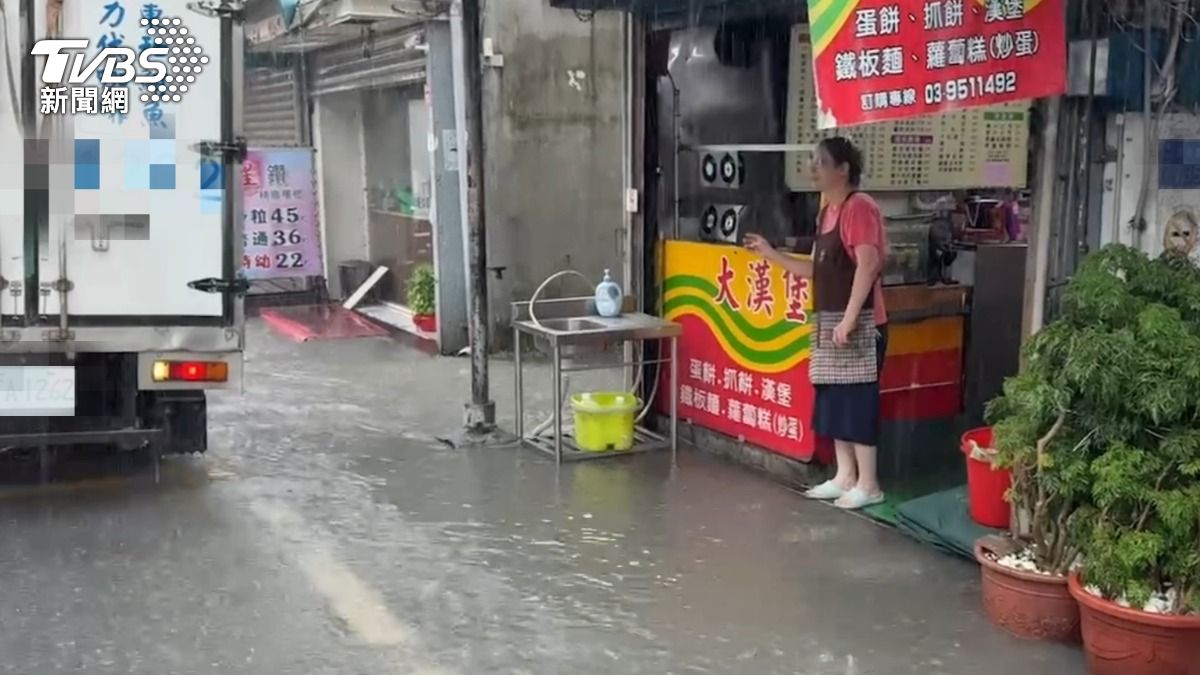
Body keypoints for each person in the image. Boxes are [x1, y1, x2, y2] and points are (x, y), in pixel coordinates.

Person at [744, 137, 889, 510]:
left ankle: (869, 484)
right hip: (828, 321)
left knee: (857, 403)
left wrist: (852, 318)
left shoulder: (860, 208)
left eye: (821, 162)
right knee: (835, 400)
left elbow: (868, 265)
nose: (813, 168)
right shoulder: (826, 212)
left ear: (843, 169)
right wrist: (770, 254)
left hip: (858, 322)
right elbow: (814, 269)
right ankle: (845, 477)